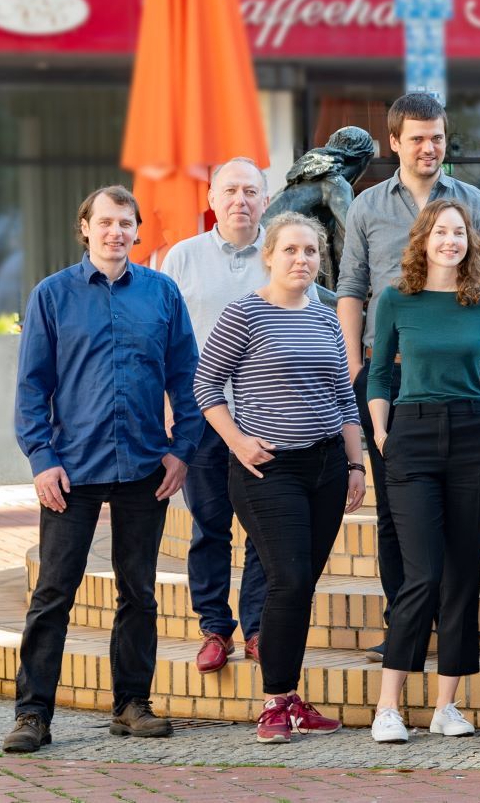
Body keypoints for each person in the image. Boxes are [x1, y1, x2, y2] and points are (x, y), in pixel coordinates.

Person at [4, 186, 203, 754]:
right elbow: (31, 387)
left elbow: (185, 379)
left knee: (138, 590)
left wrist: (181, 449)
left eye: (126, 223)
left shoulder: (162, 294)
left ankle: (131, 704)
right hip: (73, 470)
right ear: (85, 227)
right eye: (106, 222)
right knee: (53, 593)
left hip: (145, 465)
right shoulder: (52, 296)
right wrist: (42, 460)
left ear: (137, 231)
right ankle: (33, 714)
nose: (117, 232)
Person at [337, 93, 480, 661]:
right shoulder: (366, 207)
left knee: (460, 523)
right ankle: (404, 625)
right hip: (390, 382)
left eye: (436, 136)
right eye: (416, 138)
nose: (428, 147)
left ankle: (451, 629)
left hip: (459, 382)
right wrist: (359, 368)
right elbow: (351, 289)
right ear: (394, 142)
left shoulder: (474, 203)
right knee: (395, 513)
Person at [192, 212, 364, 743]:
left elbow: (344, 399)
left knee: (301, 585)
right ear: (269, 256)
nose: (301, 260)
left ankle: (290, 699)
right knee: (287, 580)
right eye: (290, 250)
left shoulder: (325, 319)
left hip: (327, 467)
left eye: (310, 251)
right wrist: (238, 441)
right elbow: (206, 387)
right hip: (267, 470)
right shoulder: (245, 314)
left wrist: (356, 465)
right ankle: (274, 704)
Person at [365, 199, 480, 743]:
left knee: (461, 577)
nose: (450, 240)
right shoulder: (395, 299)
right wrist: (383, 434)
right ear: (423, 239)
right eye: (441, 232)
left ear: (470, 241)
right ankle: (388, 707)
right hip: (409, 437)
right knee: (422, 576)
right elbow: (379, 375)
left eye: (459, 232)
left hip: (471, 438)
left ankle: (445, 707)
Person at [161, 158, 272, 675]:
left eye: (251, 191)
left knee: (262, 528)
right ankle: (214, 627)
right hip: (202, 416)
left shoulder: (281, 254)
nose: (240, 201)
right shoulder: (182, 257)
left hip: (264, 415)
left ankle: (256, 628)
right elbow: (162, 340)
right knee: (209, 526)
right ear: (212, 198)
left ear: (266, 200)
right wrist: (167, 408)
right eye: (230, 191)